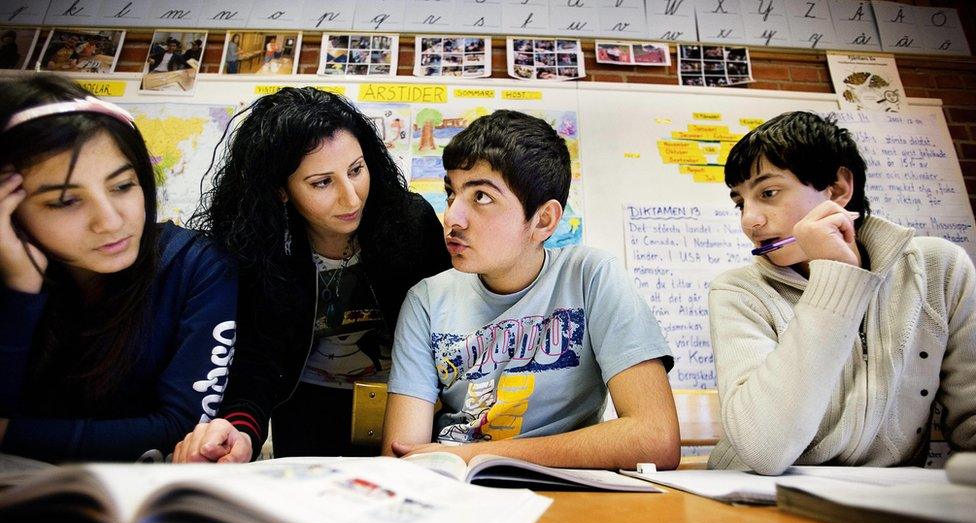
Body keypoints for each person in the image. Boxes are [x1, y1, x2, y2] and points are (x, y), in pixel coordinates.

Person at [381, 110, 680, 470]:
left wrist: (474, 456)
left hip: (565, 492)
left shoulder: (591, 277)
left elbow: (655, 438)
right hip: (458, 493)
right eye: (451, 194)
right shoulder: (427, 298)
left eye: (481, 197)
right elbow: (403, 456)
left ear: (543, 220)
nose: (452, 218)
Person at [173, 87, 450, 463]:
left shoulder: (410, 222)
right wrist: (240, 430)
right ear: (281, 190)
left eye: (356, 170)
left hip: (407, 403)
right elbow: (259, 359)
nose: (351, 198)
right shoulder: (260, 246)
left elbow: (446, 328)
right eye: (322, 183)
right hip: (305, 404)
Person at [707, 111, 976, 475]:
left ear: (837, 189)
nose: (749, 221)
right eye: (740, 203)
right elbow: (763, 450)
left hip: (886, 502)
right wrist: (837, 279)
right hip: (758, 496)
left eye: (768, 193)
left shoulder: (938, 268)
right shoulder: (737, 291)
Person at [0, 74, 237, 463]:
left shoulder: (195, 265)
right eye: (64, 202)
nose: (110, 221)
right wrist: (19, 290)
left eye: (123, 186)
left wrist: (10, 433)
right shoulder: (12, 269)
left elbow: (182, 428)